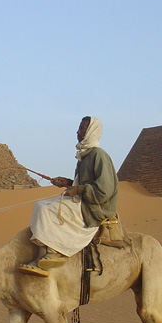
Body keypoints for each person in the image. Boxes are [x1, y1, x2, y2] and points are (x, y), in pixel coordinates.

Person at [19, 116, 119, 277]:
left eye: (82, 129)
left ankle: (54, 252)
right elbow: (86, 183)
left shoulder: (98, 155)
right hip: (84, 200)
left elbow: (104, 190)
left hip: (94, 206)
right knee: (43, 205)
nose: (78, 132)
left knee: (44, 209)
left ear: (91, 131)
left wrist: (78, 189)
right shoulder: (85, 155)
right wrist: (68, 182)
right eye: (79, 128)